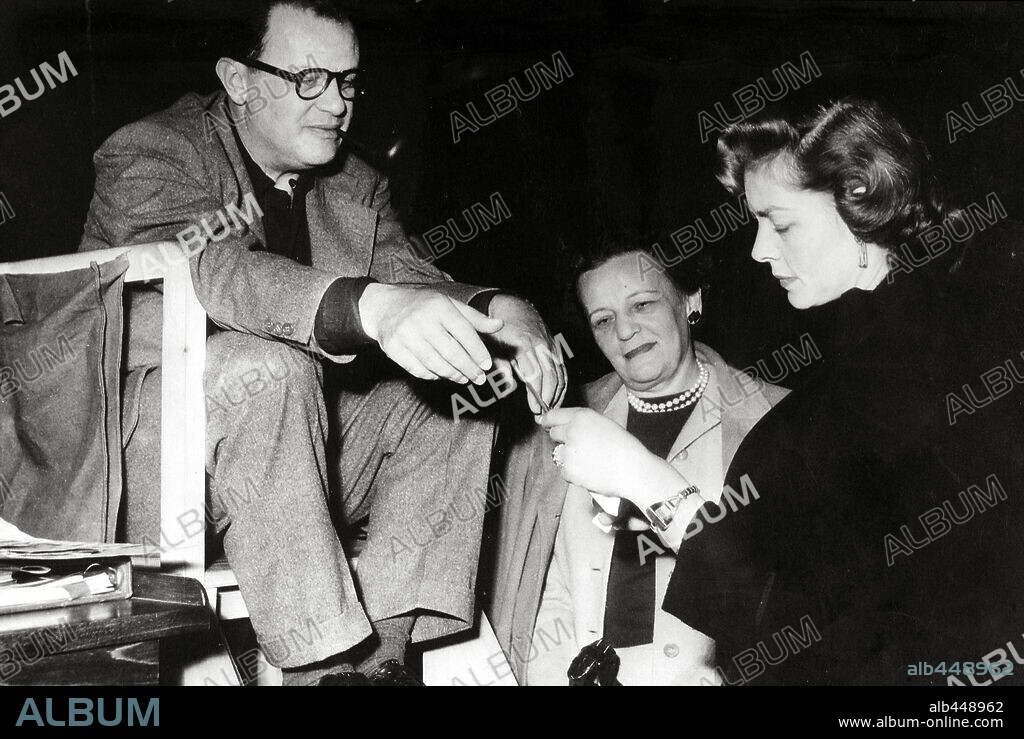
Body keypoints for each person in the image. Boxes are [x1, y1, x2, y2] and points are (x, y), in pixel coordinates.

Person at [78, 0, 566, 686]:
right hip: (141, 473)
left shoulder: (355, 184)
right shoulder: (155, 150)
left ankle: (382, 663)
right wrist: (370, 305)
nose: (337, 102)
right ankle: (322, 670)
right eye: (310, 78)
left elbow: (415, 283)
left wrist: (503, 308)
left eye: (347, 81)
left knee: (455, 384)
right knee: (269, 367)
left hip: (291, 471)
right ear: (239, 80)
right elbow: (217, 270)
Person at [545, 98, 1024, 685]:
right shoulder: (863, 364)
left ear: (860, 199)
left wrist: (647, 482)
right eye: (755, 222)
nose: (759, 249)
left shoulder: (929, 360)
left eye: (782, 222)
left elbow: (831, 639)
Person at [495, 234, 787, 685]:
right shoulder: (560, 422)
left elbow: (778, 600)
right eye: (603, 319)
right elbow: (546, 589)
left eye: (643, 305)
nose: (624, 331)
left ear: (690, 299)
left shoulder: (774, 419)